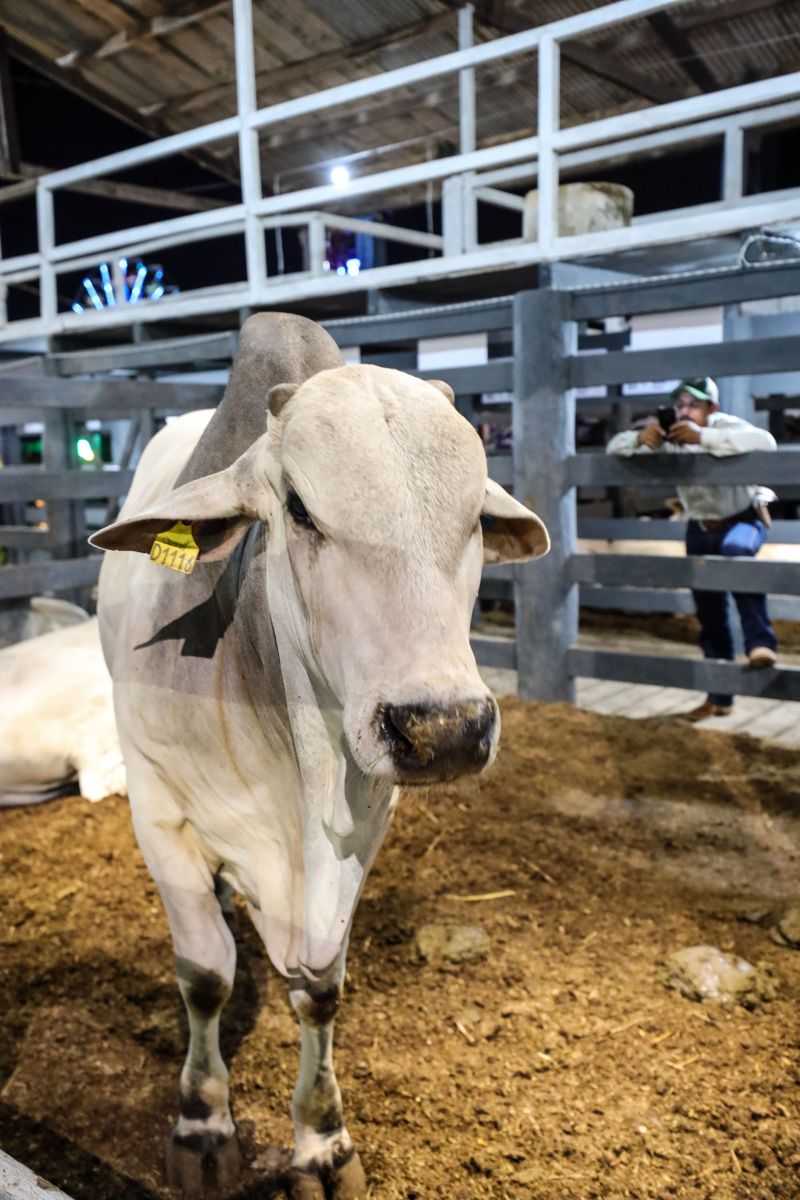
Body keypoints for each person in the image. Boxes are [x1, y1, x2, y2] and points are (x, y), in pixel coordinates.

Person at [607, 376, 778, 722]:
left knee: (736, 555)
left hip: (740, 518)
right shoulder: (670, 435)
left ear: (711, 408)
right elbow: (614, 447)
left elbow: (766, 442)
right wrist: (640, 438)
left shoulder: (724, 426)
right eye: (680, 404)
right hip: (700, 527)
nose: (684, 411)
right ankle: (719, 697)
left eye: (694, 404)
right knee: (709, 611)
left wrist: (702, 437)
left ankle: (761, 643)